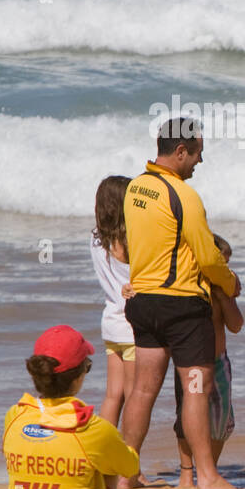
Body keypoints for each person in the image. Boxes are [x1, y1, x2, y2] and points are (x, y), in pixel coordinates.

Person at [119, 118, 240, 489]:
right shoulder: (185, 195)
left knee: (142, 390)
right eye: (198, 154)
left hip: (143, 303)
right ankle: (206, 476)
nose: (199, 162)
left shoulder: (135, 188)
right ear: (181, 151)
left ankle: (125, 475)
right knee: (196, 388)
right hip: (183, 307)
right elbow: (207, 256)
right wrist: (230, 284)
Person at [2, 326, 140, 489]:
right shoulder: (92, 429)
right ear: (77, 378)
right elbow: (130, 467)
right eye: (87, 366)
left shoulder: (14, 417)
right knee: (107, 463)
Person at [174, 234, 243, 487]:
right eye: (220, 265)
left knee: (222, 421)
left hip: (218, 361)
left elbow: (236, 325)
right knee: (186, 414)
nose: (224, 271)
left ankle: (209, 468)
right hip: (190, 361)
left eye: (226, 266)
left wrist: (225, 297)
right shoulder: (189, 286)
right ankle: (188, 471)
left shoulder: (223, 290)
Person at [89, 175, 136, 431]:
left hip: (110, 323)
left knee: (112, 396)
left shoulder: (96, 238)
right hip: (132, 328)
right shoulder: (131, 241)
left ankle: (105, 460)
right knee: (134, 398)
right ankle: (131, 468)